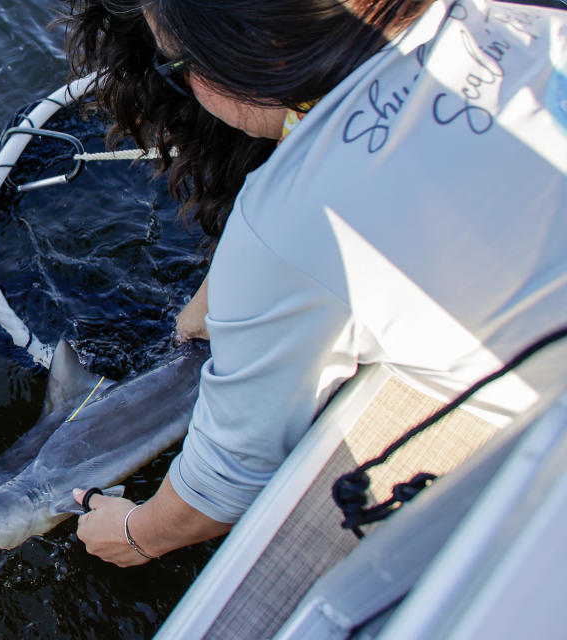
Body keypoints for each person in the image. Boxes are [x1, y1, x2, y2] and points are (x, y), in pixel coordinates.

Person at [65, 0, 567, 567]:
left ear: (256, 53)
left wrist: (136, 533)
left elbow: (220, 489)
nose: (180, 85)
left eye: (177, 67)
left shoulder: (287, 225)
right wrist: (226, 288)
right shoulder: (498, 14)